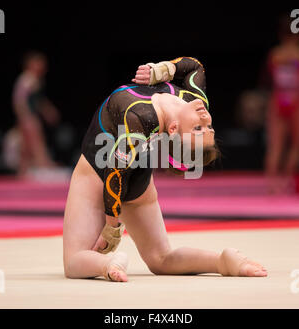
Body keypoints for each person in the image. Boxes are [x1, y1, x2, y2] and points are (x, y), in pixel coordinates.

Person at [63, 56, 268, 282]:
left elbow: (115, 171)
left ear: (173, 129)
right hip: (137, 178)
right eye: (208, 127)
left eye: (198, 127)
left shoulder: (138, 115)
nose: (205, 117)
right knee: (161, 258)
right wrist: (164, 69)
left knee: (74, 262)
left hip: (98, 173)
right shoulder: (195, 99)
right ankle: (221, 260)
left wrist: (112, 228)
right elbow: (195, 66)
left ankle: (108, 263)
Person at [262, 15, 299, 193]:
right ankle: (285, 182)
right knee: (295, 145)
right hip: (295, 99)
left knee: (275, 146)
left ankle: (271, 185)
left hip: (278, 99)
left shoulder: (275, 54)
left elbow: (268, 79)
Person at [12, 51, 60, 176]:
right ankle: (44, 169)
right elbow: (19, 100)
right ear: (31, 64)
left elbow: (38, 101)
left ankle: (22, 173)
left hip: (29, 117)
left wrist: (48, 111)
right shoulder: (27, 79)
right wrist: (25, 117)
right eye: (39, 63)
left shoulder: (35, 80)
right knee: (36, 143)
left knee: (26, 148)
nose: (42, 67)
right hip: (28, 117)